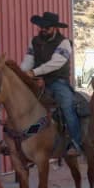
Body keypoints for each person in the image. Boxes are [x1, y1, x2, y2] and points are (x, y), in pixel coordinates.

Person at [21, 11, 81, 156]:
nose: (43, 29)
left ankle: (76, 143)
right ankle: (23, 138)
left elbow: (56, 63)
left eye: (46, 27)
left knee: (67, 108)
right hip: (37, 79)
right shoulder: (34, 41)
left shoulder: (64, 43)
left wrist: (35, 73)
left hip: (57, 81)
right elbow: (29, 60)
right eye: (41, 26)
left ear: (54, 28)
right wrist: (21, 73)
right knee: (23, 105)